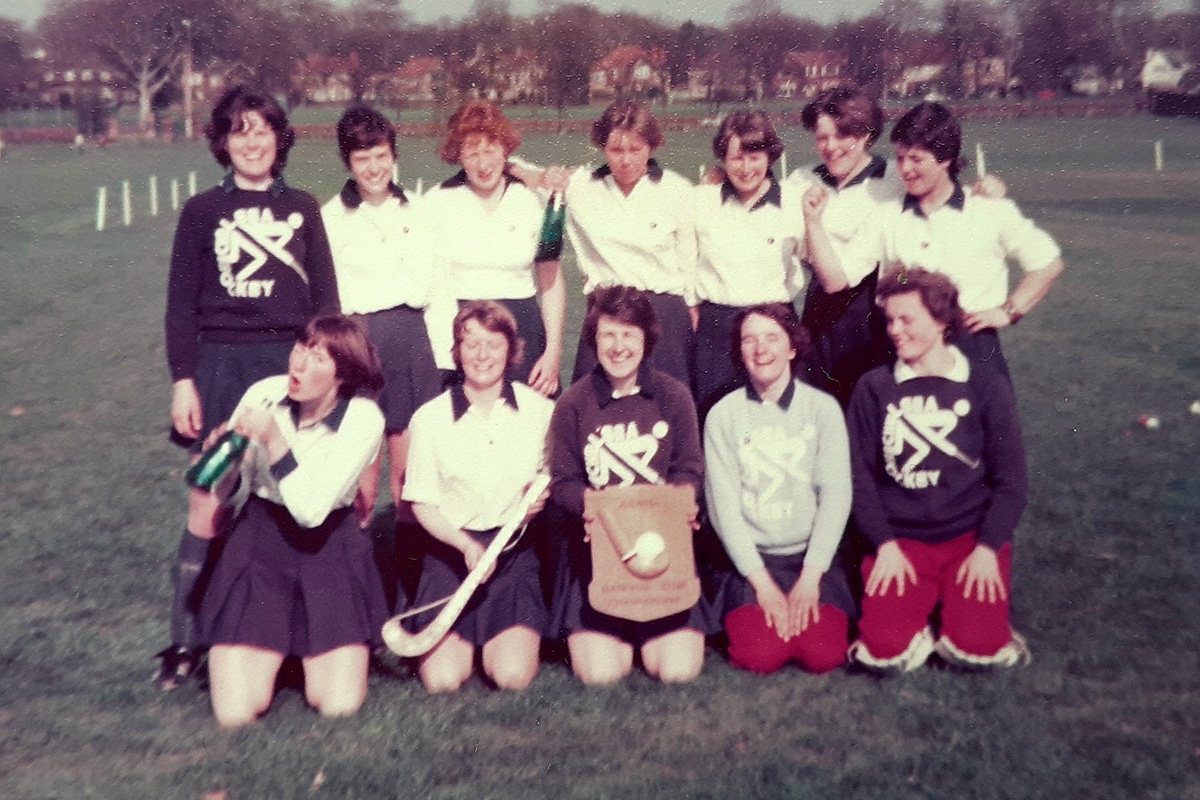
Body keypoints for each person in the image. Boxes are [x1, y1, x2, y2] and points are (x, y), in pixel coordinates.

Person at [158, 85, 339, 690]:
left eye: (262, 130)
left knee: (286, 496)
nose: (253, 141)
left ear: (279, 139)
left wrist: (324, 376)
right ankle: (186, 641)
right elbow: (181, 306)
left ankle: (281, 632)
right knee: (212, 498)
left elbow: (326, 305)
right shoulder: (202, 211)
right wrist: (185, 380)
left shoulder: (305, 208)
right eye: (240, 131)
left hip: (288, 364)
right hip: (221, 366)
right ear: (223, 142)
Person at [199, 314, 387, 727]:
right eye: (299, 349)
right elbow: (233, 494)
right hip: (260, 541)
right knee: (235, 713)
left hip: (328, 549)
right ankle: (276, 647)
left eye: (317, 358)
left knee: (338, 706)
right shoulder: (263, 394)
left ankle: (298, 650)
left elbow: (311, 511)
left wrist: (274, 440)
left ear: (343, 374)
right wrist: (226, 463)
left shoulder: (364, 419)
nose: (298, 365)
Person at [846, 269, 1031, 672]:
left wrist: (988, 548)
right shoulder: (874, 387)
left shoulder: (985, 385)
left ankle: (969, 620)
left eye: (906, 319)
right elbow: (859, 479)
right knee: (883, 653)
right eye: (889, 320)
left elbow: (1012, 483)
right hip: (902, 543)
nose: (894, 330)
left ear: (941, 321)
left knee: (976, 651)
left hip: (969, 541)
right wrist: (885, 545)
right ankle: (920, 621)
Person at [548, 286, 710, 685]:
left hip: (662, 550)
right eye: (609, 335)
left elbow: (689, 468)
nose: (618, 347)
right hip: (599, 555)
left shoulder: (674, 396)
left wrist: (680, 502)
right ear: (593, 339)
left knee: (678, 672)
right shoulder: (573, 403)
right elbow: (562, 482)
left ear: (646, 340)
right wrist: (592, 505)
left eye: (629, 335)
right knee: (601, 676)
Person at [401, 301, 554, 692]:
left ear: (511, 349)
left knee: (512, 676)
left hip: (512, 557)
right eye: (471, 344)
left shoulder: (540, 411)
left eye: (493, 344)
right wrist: (466, 546)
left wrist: (539, 495)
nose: (482, 355)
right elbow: (422, 503)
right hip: (452, 555)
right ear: (456, 351)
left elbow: (553, 478)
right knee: (443, 680)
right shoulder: (430, 418)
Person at [704, 304, 854, 675]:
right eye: (749, 340)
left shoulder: (822, 409)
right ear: (739, 351)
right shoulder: (723, 415)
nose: (760, 349)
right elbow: (724, 510)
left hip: (809, 560)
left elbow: (836, 496)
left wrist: (811, 576)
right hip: (751, 564)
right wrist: (763, 585)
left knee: (822, 654)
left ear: (792, 347)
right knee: (761, 655)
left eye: (772, 338)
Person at [875, 102, 1064, 379]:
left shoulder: (988, 210)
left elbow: (1047, 263)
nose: (905, 169)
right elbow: (892, 282)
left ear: (945, 159)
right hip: (910, 350)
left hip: (974, 346)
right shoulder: (892, 215)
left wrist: (1009, 311)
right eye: (901, 158)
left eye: (916, 159)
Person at [321, 105, 442, 525]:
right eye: (362, 158)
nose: (373, 168)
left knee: (411, 483)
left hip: (411, 343)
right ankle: (359, 583)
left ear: (393, 155)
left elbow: (438, 286)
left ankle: (409, 586)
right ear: (347, 162)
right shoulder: (330, 218)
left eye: (381, 156)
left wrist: (442, 358)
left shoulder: (420, 210)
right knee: (361, 488)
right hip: (357, 346)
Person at [529, 100, 697, 389]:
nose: (626, 160)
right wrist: (546, 176)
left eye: (636, 149)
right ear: (602, 148)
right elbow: (514, 166)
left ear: (652, 147)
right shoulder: (580, 187)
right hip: (605, 314)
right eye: (616, 150)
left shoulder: (678, 190)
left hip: (664, 317)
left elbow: (691, 270)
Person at [692, 110, 843, 416]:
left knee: (780, 419)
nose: (746, 168)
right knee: (713, 419)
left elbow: (824, 265)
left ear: (770, 156)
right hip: (716, 330)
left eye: (754, 157)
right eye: (736, 158)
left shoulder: (796, 201)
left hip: (775, 322)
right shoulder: (701, 201)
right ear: (723, 158)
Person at [424, 100, 565, 397]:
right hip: (465, 335)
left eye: (490, 150)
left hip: (524, 330)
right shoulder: (437, 202)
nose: (483, 163)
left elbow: (551, 280)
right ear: (458, 155)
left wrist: (552, 353)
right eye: (472, 153)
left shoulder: (534, 200)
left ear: (506, 149)